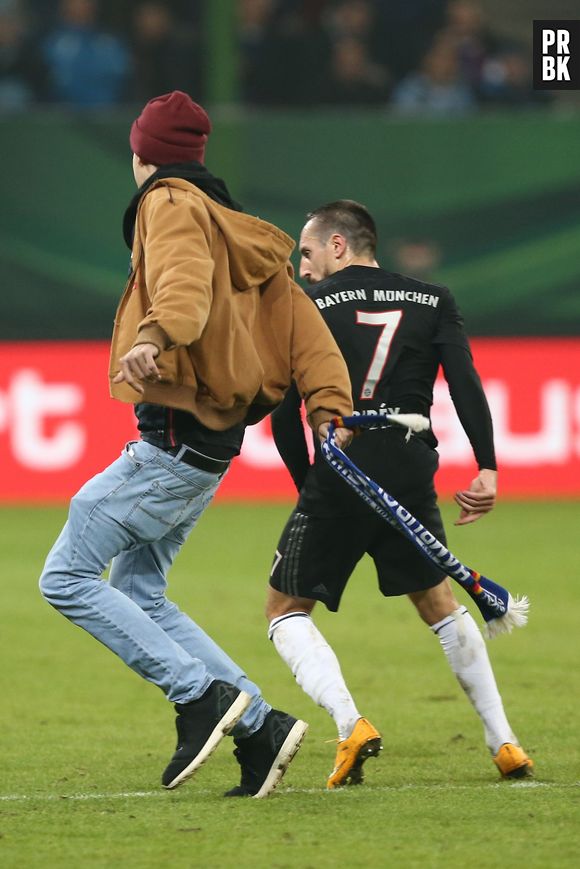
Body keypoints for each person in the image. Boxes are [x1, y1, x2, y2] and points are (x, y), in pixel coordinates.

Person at [39, 92, 354, 798]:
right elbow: (311, 337)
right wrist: (330, 407)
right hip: (209, 452)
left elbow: (182, 286)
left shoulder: (168, 199)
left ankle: (198, 696)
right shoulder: (249, 234)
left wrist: (153, 336)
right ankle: (260, 724)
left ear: (142, 154)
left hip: (171, 442)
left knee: (64, 574)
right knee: (140, 588)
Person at [266, 199, 533, 789]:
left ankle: (349, 723)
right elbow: (464, 382)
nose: (303, 269)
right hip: (411, 464)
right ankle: (504, 740)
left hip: (342, 465)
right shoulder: (434, 300)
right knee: (439, 602)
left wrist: (307, 485)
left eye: (307, 254)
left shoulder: (307, 305)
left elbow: (287, 414)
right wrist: (487, 465)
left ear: (338, 246)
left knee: (284, 610)